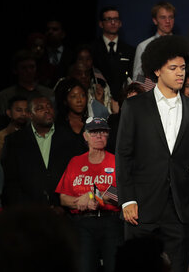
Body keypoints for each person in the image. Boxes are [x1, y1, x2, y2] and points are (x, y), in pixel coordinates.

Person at [115, 35, 189, 272]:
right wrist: (127, 198)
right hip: (141, 207)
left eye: (183, 68)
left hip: (180, 208)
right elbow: (124, 155)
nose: (180, 73)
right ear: (156, 70)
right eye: (173, 68)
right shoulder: (134, 106)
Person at [55, 117, 123, 272]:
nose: (99, 136)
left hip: (110, 223)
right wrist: (83, 200)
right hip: (82, 224)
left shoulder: (117, 161)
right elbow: (63, 198)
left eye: (103, 132)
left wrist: (94, 195)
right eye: (93, 132)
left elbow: (123, 195)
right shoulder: (75, 162)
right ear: (85, 136)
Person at [1, 95, 83, 208]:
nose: (47, 110)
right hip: (28, 213)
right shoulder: (14, 141)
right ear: (30, 115)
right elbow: (11, 183)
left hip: (65, 212)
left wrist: (64, 206)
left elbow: (78, 177)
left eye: (49, 106)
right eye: (40, 108)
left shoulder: (71, 138)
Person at [0, 49, 54, 119]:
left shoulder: (48, 93)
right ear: (15, 70)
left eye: (32, 67)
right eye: (24, 68)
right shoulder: (5, 96)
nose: (29, 71)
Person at [91, 6, 136, 100]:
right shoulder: (92, 49)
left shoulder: (129, 50)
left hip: (123, 99)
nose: (113, 22)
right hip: (98, 98)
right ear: (101, 23)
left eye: (116, 19)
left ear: (120, 23)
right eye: (108, 19)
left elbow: (133, 76)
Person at [133, 1, 176, 82]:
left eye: (171, 17)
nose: (167, 21)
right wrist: (155, 87)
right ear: (155, 20)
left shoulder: (181, 45)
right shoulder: (144, 46)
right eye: (163, 17)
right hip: (152, 92)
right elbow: (137, 77)